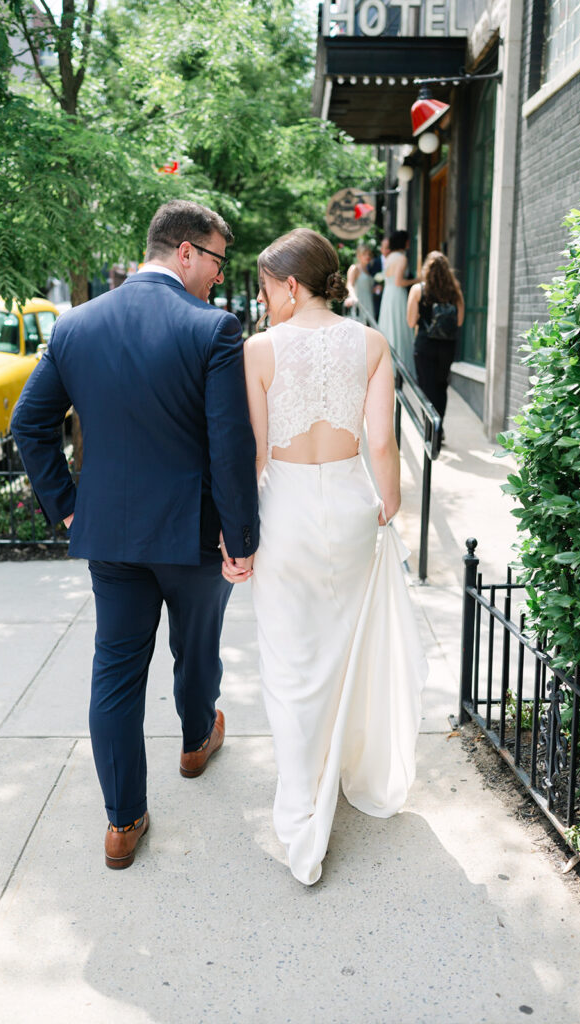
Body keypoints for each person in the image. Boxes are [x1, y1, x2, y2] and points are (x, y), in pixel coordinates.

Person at [11, 200, 259, 870]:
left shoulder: (76, 326)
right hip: (196, 535)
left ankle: (123, 822)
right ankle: (195, 739)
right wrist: (242, 537)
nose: (216, 275)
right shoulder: (213, 329)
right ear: (184, 251)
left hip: (113, 538)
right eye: (214, 260)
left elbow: (28, 425)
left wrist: (68, 506)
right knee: (196, 648)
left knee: (115, 677)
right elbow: (229, 446)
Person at [229, 228, 427, 886]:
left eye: (265, 287)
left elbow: (254, 455)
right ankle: (339, 772)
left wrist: (238, 532)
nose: (264, 300)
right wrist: (391, 500)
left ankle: (300, 810)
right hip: (348, 512)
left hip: (283, 512)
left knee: (289, 662)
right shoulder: (370, 344)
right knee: (343, 651)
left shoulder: (258, 350)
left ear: (289, 285)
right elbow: (381, 441)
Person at [407, 250, 464, 432]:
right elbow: (460, 321)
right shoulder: (455, 291)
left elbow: (410, 321)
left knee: (426, 386)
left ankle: (430, 428)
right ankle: (439, 428)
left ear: (426, 269)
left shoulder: (418, 290)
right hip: (447, 345)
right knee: (441, 386)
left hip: (425, 344)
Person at [377, 230, 417, 375]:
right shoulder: (401, 258)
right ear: (404, 242)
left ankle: (390, 366)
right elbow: (400, 281)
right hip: (397, 295)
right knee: (399, 327)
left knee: (390, 327)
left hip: (388, 295)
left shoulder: (389, 257)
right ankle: (400, 368)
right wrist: (418, 280)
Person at [344, 242, 375, 320]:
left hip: (369, 302)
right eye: (364, 254)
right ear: (359, 255)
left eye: (369, 254)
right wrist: (353, 297)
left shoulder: (368, 271)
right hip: (359, 303)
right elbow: (349, 284)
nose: (367, 256)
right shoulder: (354, 268)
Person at [369, 235, 390, 320]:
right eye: (386, 248)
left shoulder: (396, 261)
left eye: (390, 248)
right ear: (381, 249)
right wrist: (375, 288)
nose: (388, 250)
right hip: (377, 300)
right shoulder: (374, 263)